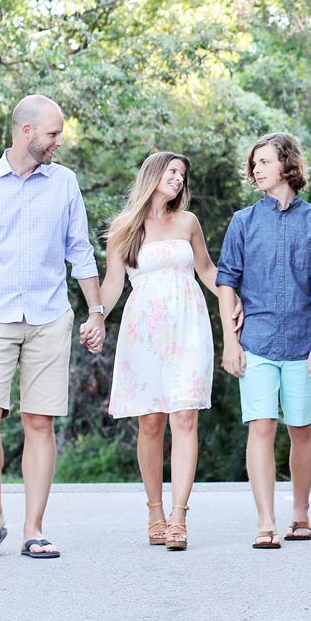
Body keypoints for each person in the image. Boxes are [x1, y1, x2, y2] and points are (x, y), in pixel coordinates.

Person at [0, 95, 107, 562]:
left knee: (39, 421)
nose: (59, 142)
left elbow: (80, 250)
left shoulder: (65, 182)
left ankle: (34, 528)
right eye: (53, 134)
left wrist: (95, 310)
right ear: (27, 132)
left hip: (49, 315)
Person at [89, 152, 226, 550]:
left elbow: (207, 271)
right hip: (144, 332)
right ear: (152, 174)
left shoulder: (188, 222)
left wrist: (235, 302)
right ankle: (155, 511)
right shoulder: (124, 227)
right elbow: (113, 283)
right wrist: (95, 317)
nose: (179, 179)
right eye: (172, 172)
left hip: (188, 327)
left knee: (185, 417)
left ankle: (179, 518)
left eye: (183, 174)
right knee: (151, 422)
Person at [216, 133, 311, 549]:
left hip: (304, 341)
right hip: (256, 341)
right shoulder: (243, 222)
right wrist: (230, 343)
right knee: (261, 426)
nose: (257, 170)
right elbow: (226, 280)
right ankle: (266, 520)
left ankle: (300, 512)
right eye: (254, 165)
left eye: (264, 162)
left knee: (302, 427)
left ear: (288, 164)